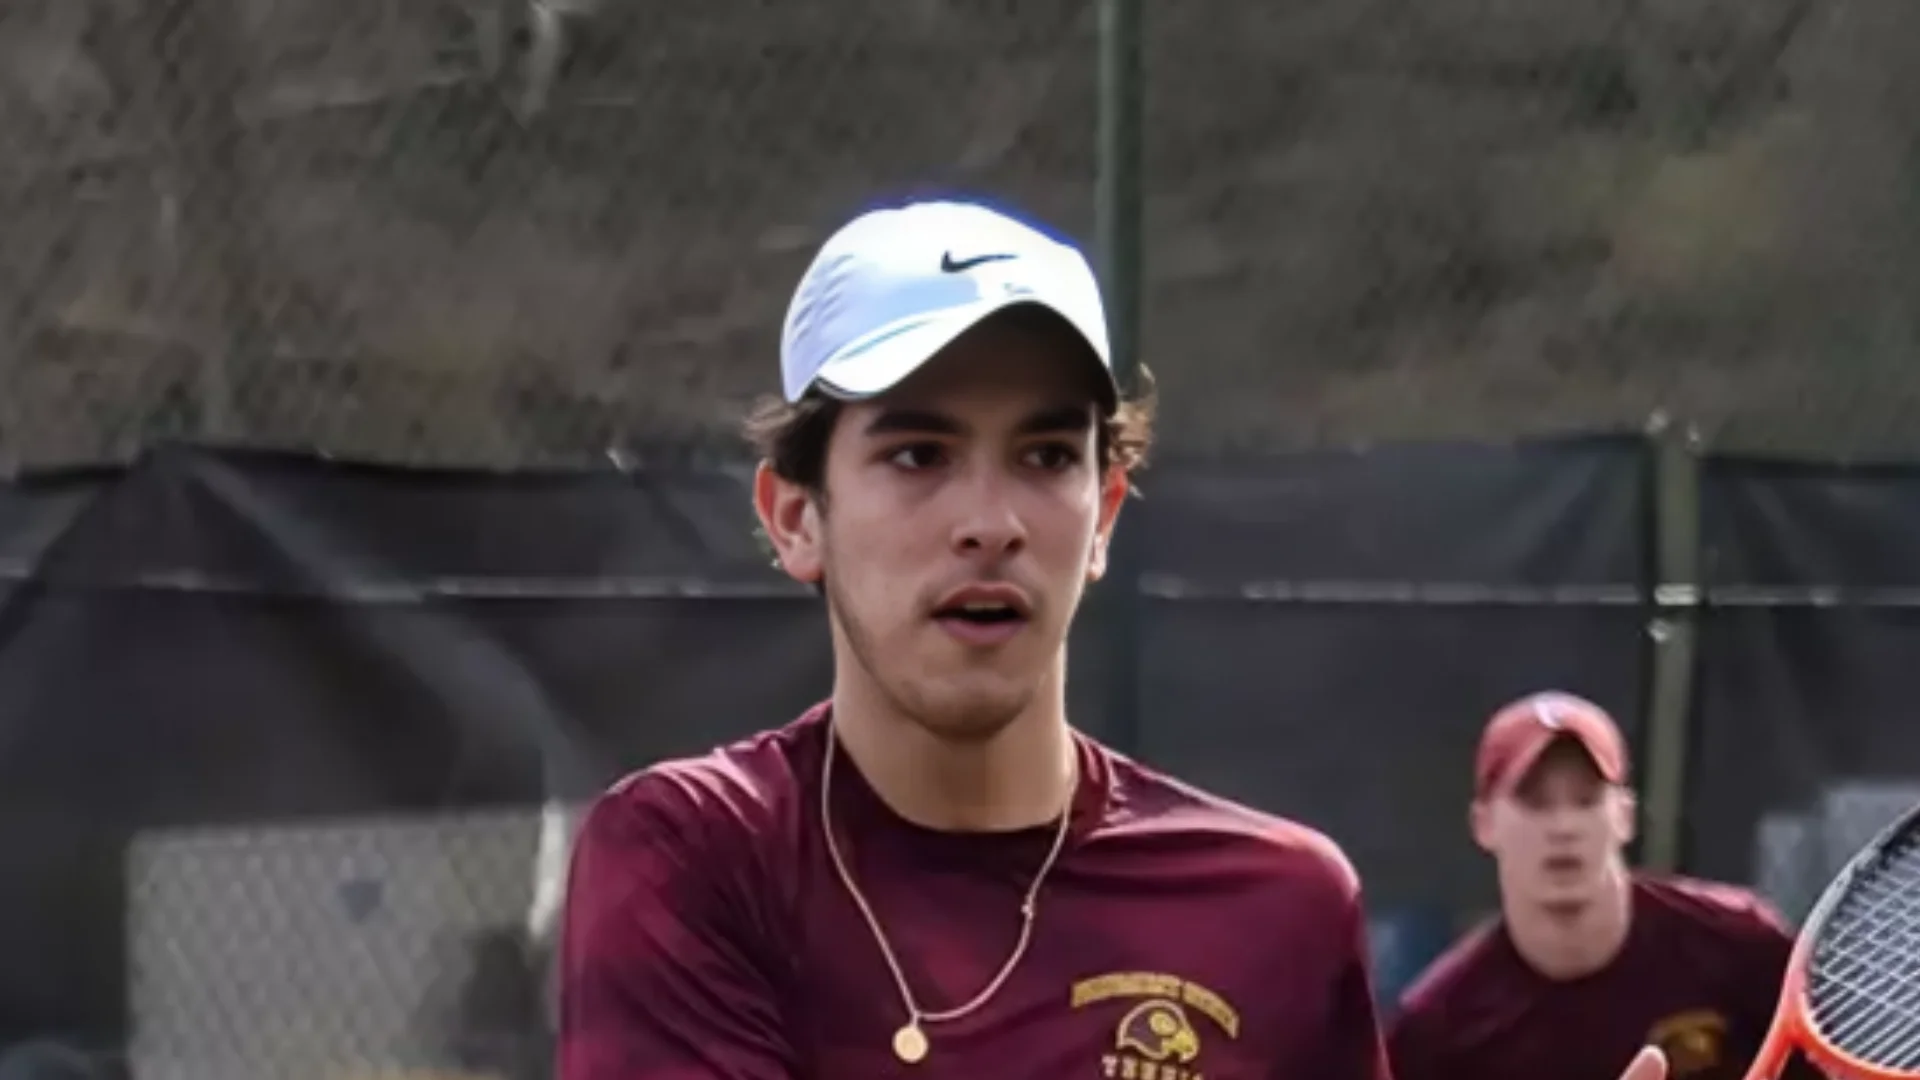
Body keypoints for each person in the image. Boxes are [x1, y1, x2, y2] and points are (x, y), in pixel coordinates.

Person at [553, 198, 1681, 1080]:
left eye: (1046, 457)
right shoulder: (691, 857)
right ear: (796, 515)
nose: (989, 522)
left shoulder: (1281, 905)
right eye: (917, 455)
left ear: (1104, 517)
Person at [1386, 691, 1818, 1080]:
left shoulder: (1743, 945)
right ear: (1483, 824)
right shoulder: (1433, 1031)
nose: (1563, 827)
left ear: (1625, 816)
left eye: (1586, 799)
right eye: (1534, 801)